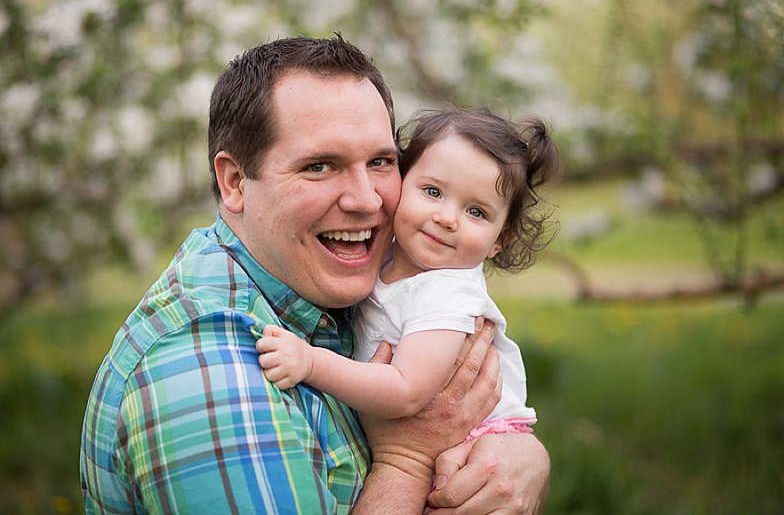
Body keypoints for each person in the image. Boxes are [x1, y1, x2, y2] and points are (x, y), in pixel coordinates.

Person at [80, 35, 550, 514]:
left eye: (381, 162)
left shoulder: (315, 290)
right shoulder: (211, 378)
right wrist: (407, 458)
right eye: (320, 166)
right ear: (235, 182)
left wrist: (523, 456)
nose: (366, 200)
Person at [256, 108, 560, 457]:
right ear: (401, 181)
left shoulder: (450, 294)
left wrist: (311, 362)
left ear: (500, 240)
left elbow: (405, 390)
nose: (446, 218)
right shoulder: (386, 252)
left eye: (476, 212)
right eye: (432, 192)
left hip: (469, 451)